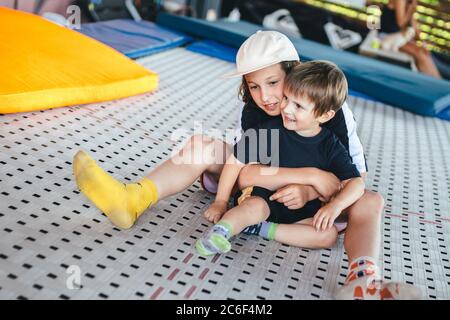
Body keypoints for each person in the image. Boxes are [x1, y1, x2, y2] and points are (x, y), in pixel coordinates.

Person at [72, 30, 409, 299]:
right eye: (254, 86)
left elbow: (356, 178)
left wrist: (310, 190)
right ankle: (132, 199)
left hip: (321, 205)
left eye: (274, 83)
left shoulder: (328, 108)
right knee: (201, 144)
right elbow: (245, 172)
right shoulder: (255, 110)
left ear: (294, 73)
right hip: (258, 190)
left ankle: (363, 280)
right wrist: (309, 175)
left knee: (370, 200)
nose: (266, 97)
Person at [196, 60, 365, 257]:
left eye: (298, 106)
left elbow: (356, 183)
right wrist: (221, 201)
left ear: (325, 116)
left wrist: (335, 206)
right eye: (286, 98)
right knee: (253, 207)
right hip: (265, 197)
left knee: (327, 236)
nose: (286, 109)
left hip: (302, 210)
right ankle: (222, 231)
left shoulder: (331, 144)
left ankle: (260, 229)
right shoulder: (271, 131)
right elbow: (235, 162)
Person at [380, 0, 441, 79]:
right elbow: (401, 23)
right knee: (419, 53)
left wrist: (423, 41)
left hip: (399, 39)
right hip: (387, 37)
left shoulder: (409, 3)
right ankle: (435, 81)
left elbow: (417, 33)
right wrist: (410, 10)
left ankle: (437, 80)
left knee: (424, 52)